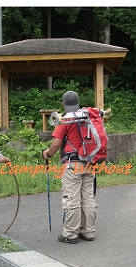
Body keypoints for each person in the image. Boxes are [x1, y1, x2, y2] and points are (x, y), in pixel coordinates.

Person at [42, 91, 97, 244]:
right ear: (78, 102)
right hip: (89, 162)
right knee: (88, 198)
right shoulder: (87, 117)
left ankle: (71, 234)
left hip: (72, 163)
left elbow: (56, 143)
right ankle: (88, 231)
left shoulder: (65, 119)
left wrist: (48, 153)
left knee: (72, 198)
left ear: (63, 104)